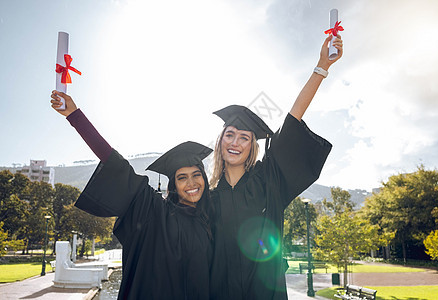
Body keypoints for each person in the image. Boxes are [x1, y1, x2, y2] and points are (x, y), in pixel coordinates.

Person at [209, 34, 343, 299]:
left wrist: (322, 67)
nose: (235, 142)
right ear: (220, 141)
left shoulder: (269, 180)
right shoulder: (208, 197)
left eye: (244, 137)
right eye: (230, 134)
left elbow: (292, 120)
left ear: (252, 146)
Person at [51, 91, 214, 299]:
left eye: (196, 175)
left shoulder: (210, 217)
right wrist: (75, 116)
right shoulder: (157, 211)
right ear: (173, 184)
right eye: (182, 178)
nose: (191, 183)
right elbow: (116, 165)